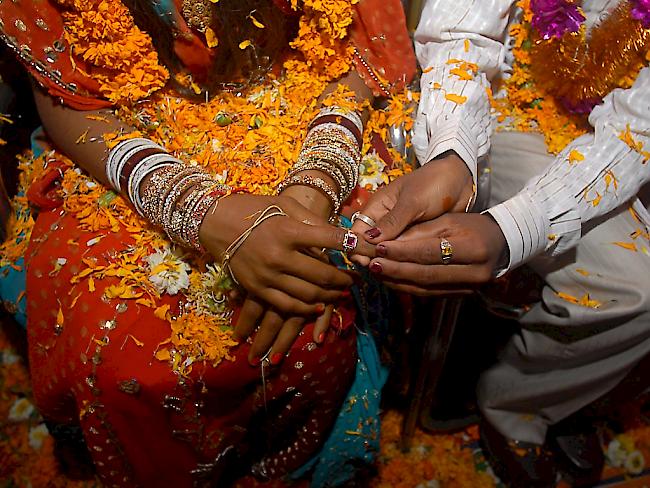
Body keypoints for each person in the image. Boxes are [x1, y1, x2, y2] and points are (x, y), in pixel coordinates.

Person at [0, 0, 416, 485]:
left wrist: (315, 186)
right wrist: (200, 212)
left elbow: (363, 50)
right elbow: (70, 100)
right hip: (122, 133)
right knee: (129, 359)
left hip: (310, 111)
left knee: (315, 319)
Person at [352, 0, 650, 486]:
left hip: (619, 146)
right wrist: (453, 153)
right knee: (634, 286)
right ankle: (492, 402)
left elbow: (638, 130)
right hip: (502, 101)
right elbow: (461, 36)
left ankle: (531, 402)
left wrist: (516, 229)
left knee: (636, 296)